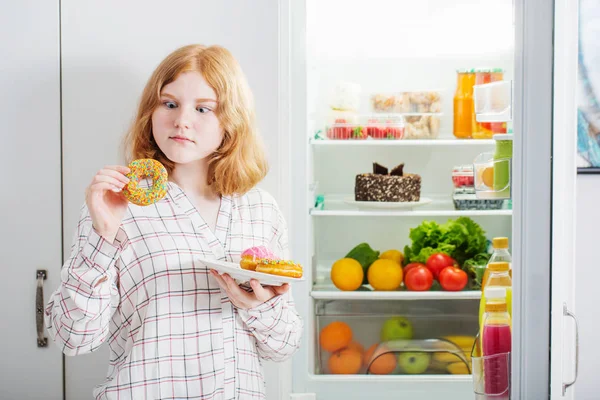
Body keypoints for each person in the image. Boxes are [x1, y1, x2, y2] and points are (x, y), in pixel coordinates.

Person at [44, 44, 303, 400]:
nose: (182, 120)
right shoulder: (118, 206)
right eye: (169, 103)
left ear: (231, 121)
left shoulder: (261, 211)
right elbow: (72, 337)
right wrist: (103, 237)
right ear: (151, 111)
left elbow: (284, 347)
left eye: (202, 109)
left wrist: (259, 307)